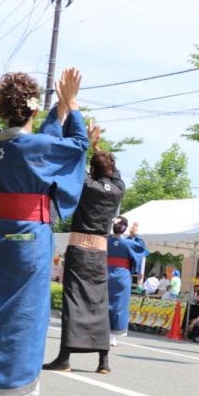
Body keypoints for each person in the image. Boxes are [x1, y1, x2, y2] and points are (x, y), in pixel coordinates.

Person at [0, 69, 87, 396]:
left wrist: (59, 110)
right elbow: (76, 146)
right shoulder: (32, 145)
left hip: (0, 232)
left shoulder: (0, 144)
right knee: (24, 316)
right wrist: (74, 106)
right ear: (33, 110)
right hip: (30, 234)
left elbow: (43, 143)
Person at [44, 124, 124, 375]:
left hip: (80, 250)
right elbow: (113, 173)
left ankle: (65, 357)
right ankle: (104, 361)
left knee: (74, 301)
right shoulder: (119, 190)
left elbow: (76, 168)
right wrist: (99, 149)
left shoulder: (86, 185)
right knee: (99, 302)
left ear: (93, 169)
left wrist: (88, 143)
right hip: (100, 253)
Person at [105, 217, 147, 350]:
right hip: (122, 275)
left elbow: (118, 242)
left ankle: (101, 333)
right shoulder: (128, 243)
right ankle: (113, 337)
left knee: (103, 302)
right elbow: (141, 248)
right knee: (119, 306)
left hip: (105, 273)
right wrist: (136, 234)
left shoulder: (106, 241)